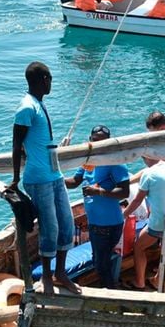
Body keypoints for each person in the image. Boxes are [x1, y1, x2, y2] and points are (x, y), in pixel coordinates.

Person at [11, 61, 80, 294]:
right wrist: (15, 178)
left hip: (55, 175)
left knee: (67, 225)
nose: (51, 82)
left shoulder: (39, 104)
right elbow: (16, 145)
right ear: (43, 80)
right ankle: (47, 277)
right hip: (38, 179)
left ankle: (61, 273)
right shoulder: (26, 107)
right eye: (49, 78)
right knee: (50, 228)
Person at [65, 124, 129, 290]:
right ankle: (109, 291)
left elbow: (124, 192)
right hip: (95, 224)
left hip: (108, 224)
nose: (99, 145)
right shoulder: (88, 161)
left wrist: (98, 192)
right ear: (90, 141)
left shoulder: (115, 162)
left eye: (103, 142)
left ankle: (109, 296)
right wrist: (57, 179)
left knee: (100, 264)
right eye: (95, 141)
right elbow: (75, 181)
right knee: (100, 261)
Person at [122, 154, 165, 290]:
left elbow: (137, 200)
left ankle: (140, 282)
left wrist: (124, 214)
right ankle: (157, 279)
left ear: (146, 158)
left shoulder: (148, 175)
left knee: (138, 247)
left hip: (159, 222)